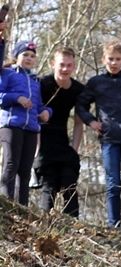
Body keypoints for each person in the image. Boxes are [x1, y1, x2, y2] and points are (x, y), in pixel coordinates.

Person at [76, 39, 121, 231]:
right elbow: (81, 105)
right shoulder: (96, 82)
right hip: (109, 139)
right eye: (110, 59)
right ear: (104, 60)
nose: (114, 63)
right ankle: (113, 225)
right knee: (113, 184)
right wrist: (92, 121)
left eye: (118, 59)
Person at [34, 46, 84, 218]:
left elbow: (79, 123)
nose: (65, 69)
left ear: (74, 66)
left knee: (69, 181)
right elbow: (35, 117)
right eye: (62, 64)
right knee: (49, 184)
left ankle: (74, 223)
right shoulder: (42, 84)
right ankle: (44, 221)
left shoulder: (78, 90)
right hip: (43, 139)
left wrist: (74, 149)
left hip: (63, 141)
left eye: (69, 65)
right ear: (53, 64)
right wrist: (37, 150)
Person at [0, 40, 52, 206]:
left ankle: (22, 206)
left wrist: (47, 112)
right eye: (25, 55)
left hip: (31, 128)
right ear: (16, 56)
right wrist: (17, 98)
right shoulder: (8, 73)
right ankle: (6, 203)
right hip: (11, 125)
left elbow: (39, 105)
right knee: (10, 164)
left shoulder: (36, 81)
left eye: (32, 56)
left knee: (25, 170)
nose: (29, 58)